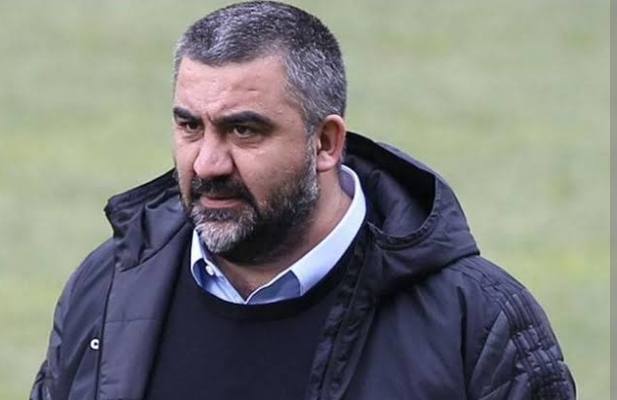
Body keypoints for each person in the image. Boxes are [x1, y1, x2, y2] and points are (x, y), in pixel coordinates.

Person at [31, 1, 576, 399]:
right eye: (190, 126)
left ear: (325, 143)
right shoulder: (106, 288)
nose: (207, 164)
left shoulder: (475, 321)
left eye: (244, 130)